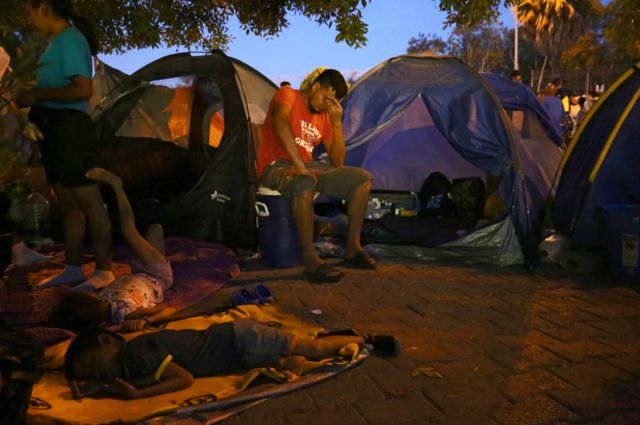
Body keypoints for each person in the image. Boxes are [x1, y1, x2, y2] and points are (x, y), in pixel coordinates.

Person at [19, 0, 113, 289]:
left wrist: (36, 93)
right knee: (69, 204)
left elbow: (82, 89)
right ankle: (73, 268)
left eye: (30, 11)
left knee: (91, 203)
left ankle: (103, 271)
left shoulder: (71, 39)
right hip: (53, 131)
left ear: (44, 8)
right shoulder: (55, 42)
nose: (28, 18)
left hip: (70, 130)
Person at [64, 320, 401, 399]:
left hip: (241, 339)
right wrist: (105, 388)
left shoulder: (137, 351)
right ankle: (333, 336)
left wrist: (135, 395)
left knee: (311, 350)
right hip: (239, 352)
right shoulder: (129, 364)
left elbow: (182, 380)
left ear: (107, 341)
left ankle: (365, 338)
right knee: (291, 361)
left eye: (95, 363)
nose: (102, 371)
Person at [256, 68, 376, 283]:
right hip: (275, 165)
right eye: (325, 98)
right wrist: (299, 166)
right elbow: (279, 121)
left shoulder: (324, 117)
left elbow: (337, 161)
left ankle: (352, 247)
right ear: (316, 86)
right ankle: (310, 259)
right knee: (303, 182)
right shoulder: (288, 95)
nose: (325, 104)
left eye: (332, 102)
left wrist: (337, 123)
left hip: (308, 166)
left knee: (362, 179)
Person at [50, 167, 175, 333]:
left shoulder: (102, 298)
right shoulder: (125, 312)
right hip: (158, 276)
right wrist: (146, 320)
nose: (93, 295)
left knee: (155, 228)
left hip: (138, 271)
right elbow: (168, 311)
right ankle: (117, 186)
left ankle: (156, 249)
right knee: (129, 231)